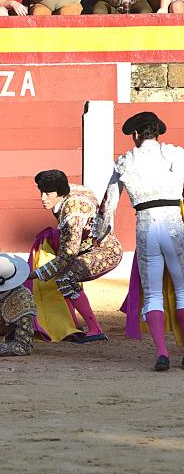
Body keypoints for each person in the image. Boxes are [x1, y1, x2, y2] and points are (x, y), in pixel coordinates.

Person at [99, 112, 184, 371]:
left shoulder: (125, 161)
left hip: (146, 227)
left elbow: (108, 207)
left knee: (154, 294)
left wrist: (98, 235)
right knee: (183, 292)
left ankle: (162, 353)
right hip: (174, 227)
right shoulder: (177, 155)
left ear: (136, 135)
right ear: (157, 132)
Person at [29, 169, 122, 341]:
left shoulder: (73, 215)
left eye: (47, 193)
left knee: (65, 278)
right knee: (67, 275)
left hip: (105, 251)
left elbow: (68, 256)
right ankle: (89, 326)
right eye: (41, 192)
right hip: (90, 248)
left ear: (60, 192)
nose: (43, 198)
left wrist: (35, 274)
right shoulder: (70, 191)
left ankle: (95, 329)